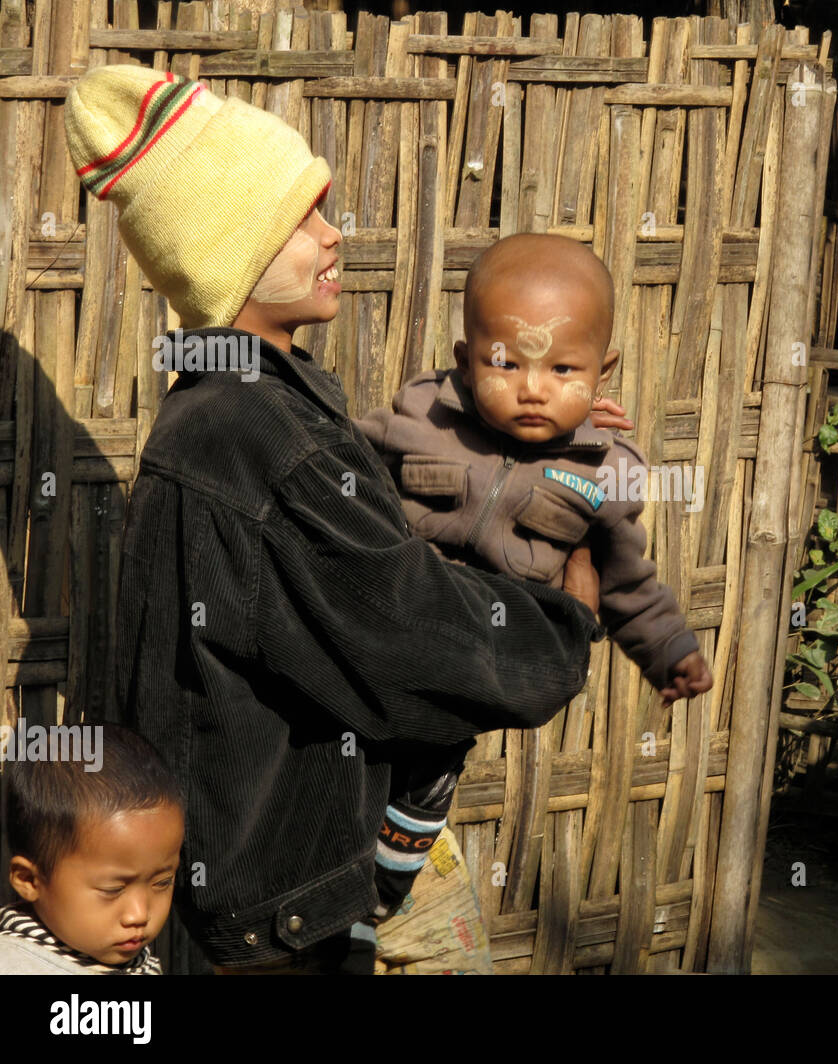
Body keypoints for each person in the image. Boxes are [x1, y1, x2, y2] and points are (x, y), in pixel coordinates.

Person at [62, 63, 626, 973]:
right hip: (273, 924)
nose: (335, 235)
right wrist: (569, 626)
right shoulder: (261, 435)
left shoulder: (223, 407)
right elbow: (406, 630)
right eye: (304, 219)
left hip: (242, 895)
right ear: (230, 250)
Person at [355, 234, 714, 919]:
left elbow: (627, 577)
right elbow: (339, 463)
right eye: (506, 362)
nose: (532, 388)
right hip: (381, 639)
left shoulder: (604, 470)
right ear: (465, 360)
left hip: (468, 674)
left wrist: (670, 650)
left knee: (420, 791)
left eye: (563, 371)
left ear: (602, 372)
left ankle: (375, 910)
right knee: (342, 776)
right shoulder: (419, 414)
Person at [1, 723, 183, 975]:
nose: (139, 914)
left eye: (162, 882)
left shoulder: (132, 961)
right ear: (29, 879)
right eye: (113, 889)